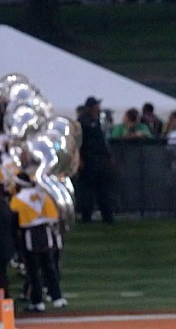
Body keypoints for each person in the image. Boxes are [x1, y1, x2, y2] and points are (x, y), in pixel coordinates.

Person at [9, 155, 65, 312]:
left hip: (29, 235)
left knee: (33, 270)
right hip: (46, 232)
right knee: (49, 268)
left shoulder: (18, 199)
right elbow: (53, 216)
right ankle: (57, 297)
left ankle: (37, 301)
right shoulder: (43, 194)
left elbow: (15, 221)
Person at [76, 96, 115, 224]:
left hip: (101, 159)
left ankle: (107, 215)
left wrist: (108, 156)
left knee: (104, 189)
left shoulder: (99, 121)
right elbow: (77, 142)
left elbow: (104, 142)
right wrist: (79, 158)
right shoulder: (82, 122)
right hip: (89, 159)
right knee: (88, 190)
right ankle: (87, 216)